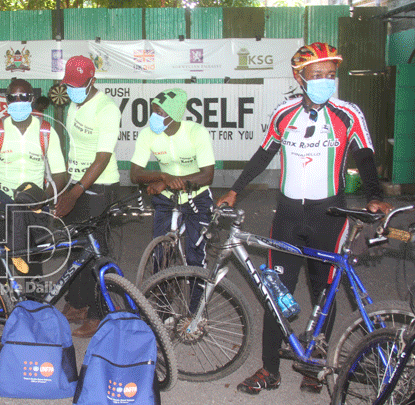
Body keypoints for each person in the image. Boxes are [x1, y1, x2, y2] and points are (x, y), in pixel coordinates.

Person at [215, 42, 392, 395]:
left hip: (330, 214)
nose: (326, 81)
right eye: (317, 76)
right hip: (289, 215)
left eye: (331, 75)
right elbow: (263, 154)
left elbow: (366, 157)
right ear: (299, 78)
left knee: (323, 291)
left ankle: (314, 366)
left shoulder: (348, 113)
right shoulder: (284, 114)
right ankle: (269, 369)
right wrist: (235, 189)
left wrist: (375, 196)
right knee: (275, 291)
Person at [54, 55, 121, 338]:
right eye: (69, 84)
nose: (73, 90)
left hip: (99, 187)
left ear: (92, 81)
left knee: (96, 253)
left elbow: (102, 157)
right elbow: (74, 150)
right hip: (76, 185)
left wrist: (77, 191)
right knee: (75, 248)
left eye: (78, 85)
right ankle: (77, 304)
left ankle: (99, 313)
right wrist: (65, 185)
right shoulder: (73, 103)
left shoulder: (106, 108)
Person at [0, 79, 68, 276]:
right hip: (1, 197)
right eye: (13, 97)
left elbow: (60, 173)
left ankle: (32, 300)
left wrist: (43, 198)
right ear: (7, 101)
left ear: (32, 99)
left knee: (32, 259)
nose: (18, 101)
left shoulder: (46, 131)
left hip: (33, 201)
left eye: (24, 97)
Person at [130, 88, 215, 268]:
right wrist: (162, 176)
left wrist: (168, 182)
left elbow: (207, 175)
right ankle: (160, 295)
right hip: (167, 199)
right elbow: (135, 174)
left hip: (197, 198)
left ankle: (196, 297)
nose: (154, 116)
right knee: (160, 257)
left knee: (194, 257)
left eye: (160, 113)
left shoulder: (196, 132)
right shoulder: (147, 135)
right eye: (153, 111)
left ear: (174, 114)